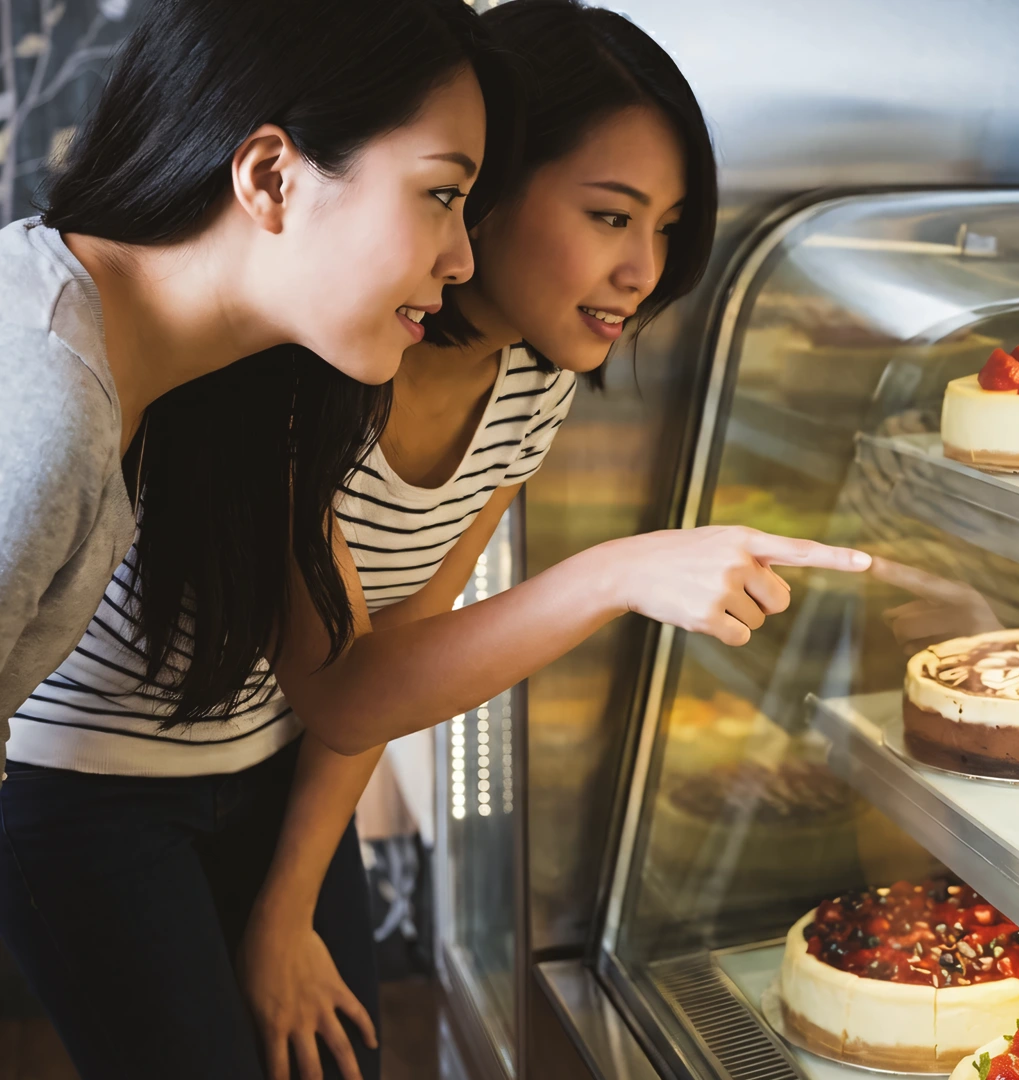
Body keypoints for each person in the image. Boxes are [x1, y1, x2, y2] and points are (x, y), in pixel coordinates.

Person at [0, 3, 869, 1079]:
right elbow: (348, 685)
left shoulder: (509, 381)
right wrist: (619, 570)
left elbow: (394, 659)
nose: (644, 270)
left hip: (263, 767)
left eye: (665, 225)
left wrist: (286, 910)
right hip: (92, 783)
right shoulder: (230, 364)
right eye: (608, 217)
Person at [0, 0, 520, 1076]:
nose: (464, 257)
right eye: (439, 195)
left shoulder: (131, 362)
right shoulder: (49, 400)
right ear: (271, 177)